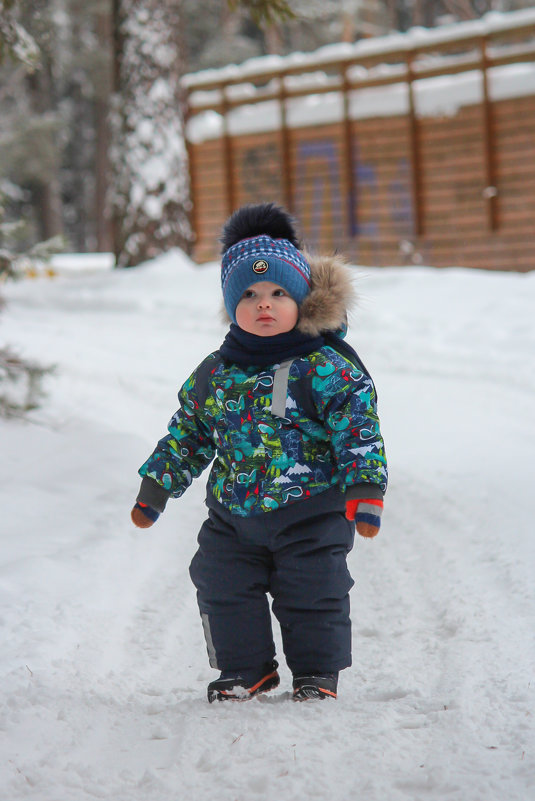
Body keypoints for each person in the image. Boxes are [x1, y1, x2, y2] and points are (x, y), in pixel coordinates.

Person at [131, 203, 387, 702]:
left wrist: (364, 489)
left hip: (312, 512)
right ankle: (246, 670)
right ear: (232, 305)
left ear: (302, 302)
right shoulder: (216, 372)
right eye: (248, 295)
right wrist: (156, 486)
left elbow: (357, 427)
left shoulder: (325, 366)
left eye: (277, 294)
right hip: (233, 515)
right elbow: (189, 432)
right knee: (219, 582)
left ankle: (316, 673)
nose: (263, 305)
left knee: (314, 590)